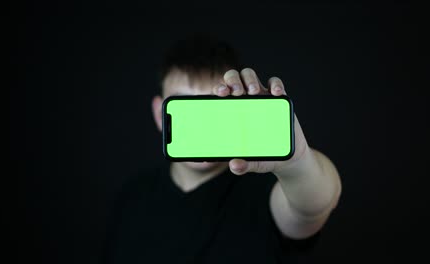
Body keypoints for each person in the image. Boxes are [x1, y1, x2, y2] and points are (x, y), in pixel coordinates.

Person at [102, 33, 342, 263]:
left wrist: (297, 162)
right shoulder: (132, 196)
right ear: (159, 113)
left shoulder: (266, 191)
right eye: (185, 108)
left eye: (212, 107)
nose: (200, 125)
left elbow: (313, 205)